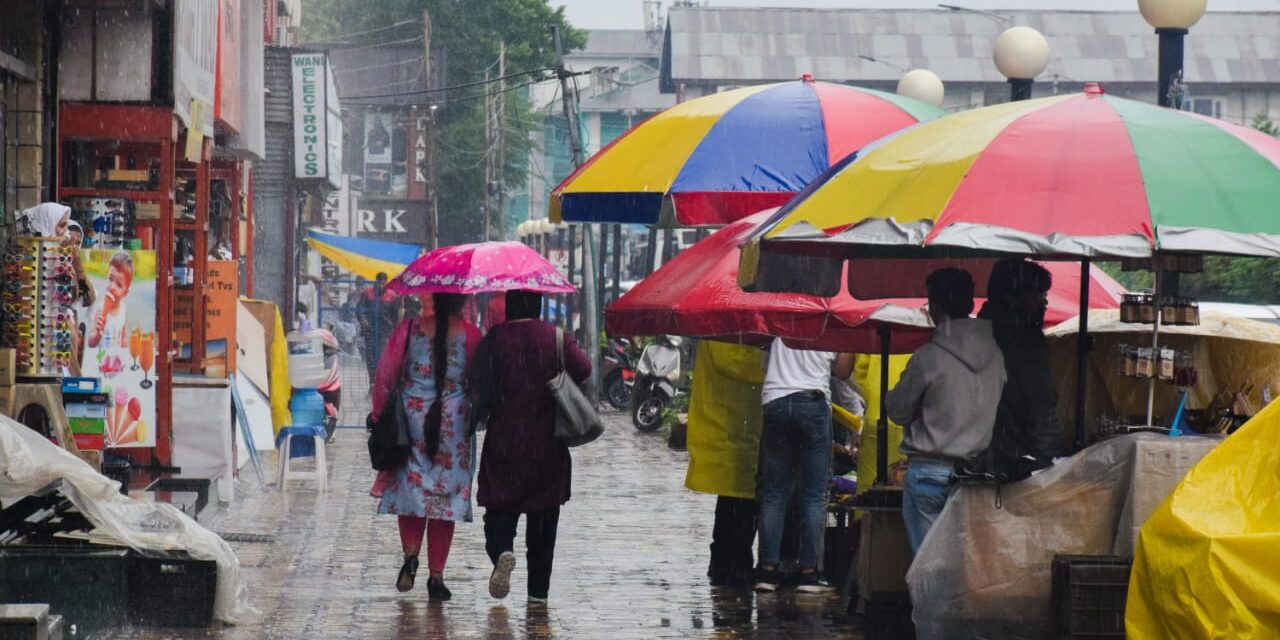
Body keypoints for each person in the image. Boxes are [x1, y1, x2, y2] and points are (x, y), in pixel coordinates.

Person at [467, 290, 590, 606]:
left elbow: (477, 382)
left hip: (505, 441)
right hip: (547, 444)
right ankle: (538, 594)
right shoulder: (555, 337)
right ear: (538, 307)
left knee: (498, 512)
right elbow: (584, 367)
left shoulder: (495, 339)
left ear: (509, 306)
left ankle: (502, 552)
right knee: (544, 524)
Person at [369, 293, 481, 599]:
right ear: (461, 304)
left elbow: (385, 376)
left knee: (412, 494)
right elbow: (480, 380)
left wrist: (379, 416)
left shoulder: (408, 330)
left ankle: (411, 556)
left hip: (411, 420)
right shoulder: (471, 335)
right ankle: (436, 576)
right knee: (444, 501)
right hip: (454, 427)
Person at [886, 268, 1006, 554]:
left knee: (929, 568)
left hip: (929, 472)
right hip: (975, 476)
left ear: (935, 307)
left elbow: (897, 410)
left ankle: (932, 602)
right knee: (964, 566)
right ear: (970, 304)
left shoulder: (928, 357)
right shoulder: (997, 354)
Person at [754, 338, 854, 593]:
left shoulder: (781, 315)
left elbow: (765, 363)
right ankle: (808, 573)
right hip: (812, 401)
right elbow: (843, 371)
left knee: (774, 492)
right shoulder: (827, 319)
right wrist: (850, 340)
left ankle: (767, 571)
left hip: (775, 400)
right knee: (813, 495)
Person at [684, 340, 767, 587]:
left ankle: (728, 563)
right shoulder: (721, 333)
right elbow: (734, 363)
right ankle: (731, 566)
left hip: (740, 426)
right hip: (728, 427)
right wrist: (770, 361)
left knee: (737, 501)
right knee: (737, 504)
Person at [976, 259, 1067, 482]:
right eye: (1039, 294)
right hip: (1017, 464)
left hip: (978, 461)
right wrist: (1051, 460)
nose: (1044, 303)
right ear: (1014, 296)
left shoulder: (976, 334)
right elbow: (1040, 403)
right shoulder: (1023, 341)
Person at [358, 273, 400, 381]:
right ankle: (372, 382)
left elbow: (395, 315)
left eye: (383, 283)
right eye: (379, 283)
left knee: (382, 356)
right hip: (370, 330)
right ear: (375, 282)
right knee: (370, 358)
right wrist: (363, 320)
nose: (381, 285)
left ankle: (380, 382)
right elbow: (360, 309)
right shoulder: (368, 293)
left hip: (385, 331)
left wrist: (395, 331)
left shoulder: (392, 295)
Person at [88, 251, 133, 350]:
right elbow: (90, 343)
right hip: (101, 359)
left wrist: (126, 348)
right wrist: (97, 335)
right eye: (110, 279)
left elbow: (124, 339)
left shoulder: (123, 311)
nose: (112, 287)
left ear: (125, 293)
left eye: (119, 285)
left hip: (116, 360)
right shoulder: (100, 308)